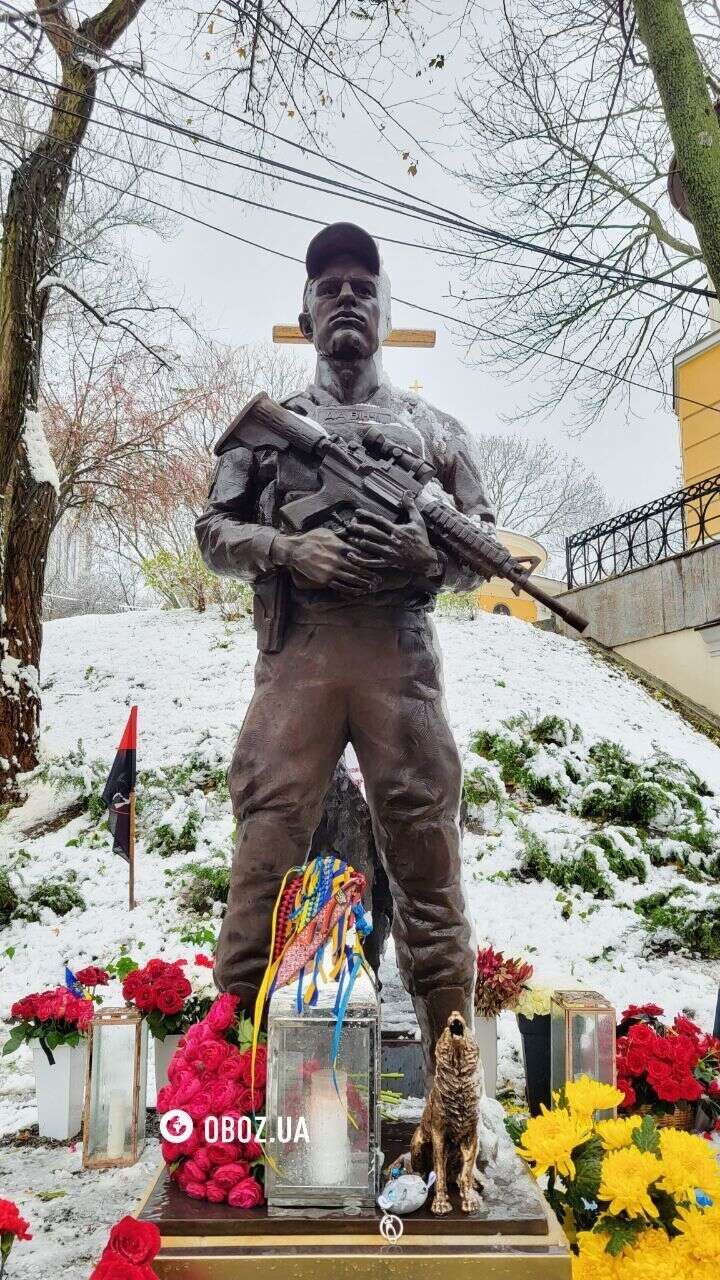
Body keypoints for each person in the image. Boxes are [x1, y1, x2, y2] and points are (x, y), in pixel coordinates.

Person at [195, 222, 497, 1070]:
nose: (347, 297)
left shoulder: (437, 431)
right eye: (328, 286)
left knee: (429, 865)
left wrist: (429, 557)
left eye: (363, 284)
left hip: (402, 663)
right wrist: (289, 549)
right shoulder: (270, 428)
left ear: (388, 308)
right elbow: (212, 532)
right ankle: (231, 1077)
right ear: (305, 312)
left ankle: (453, 1090)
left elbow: (483, 543)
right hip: (298, 661)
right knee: (264, 855)